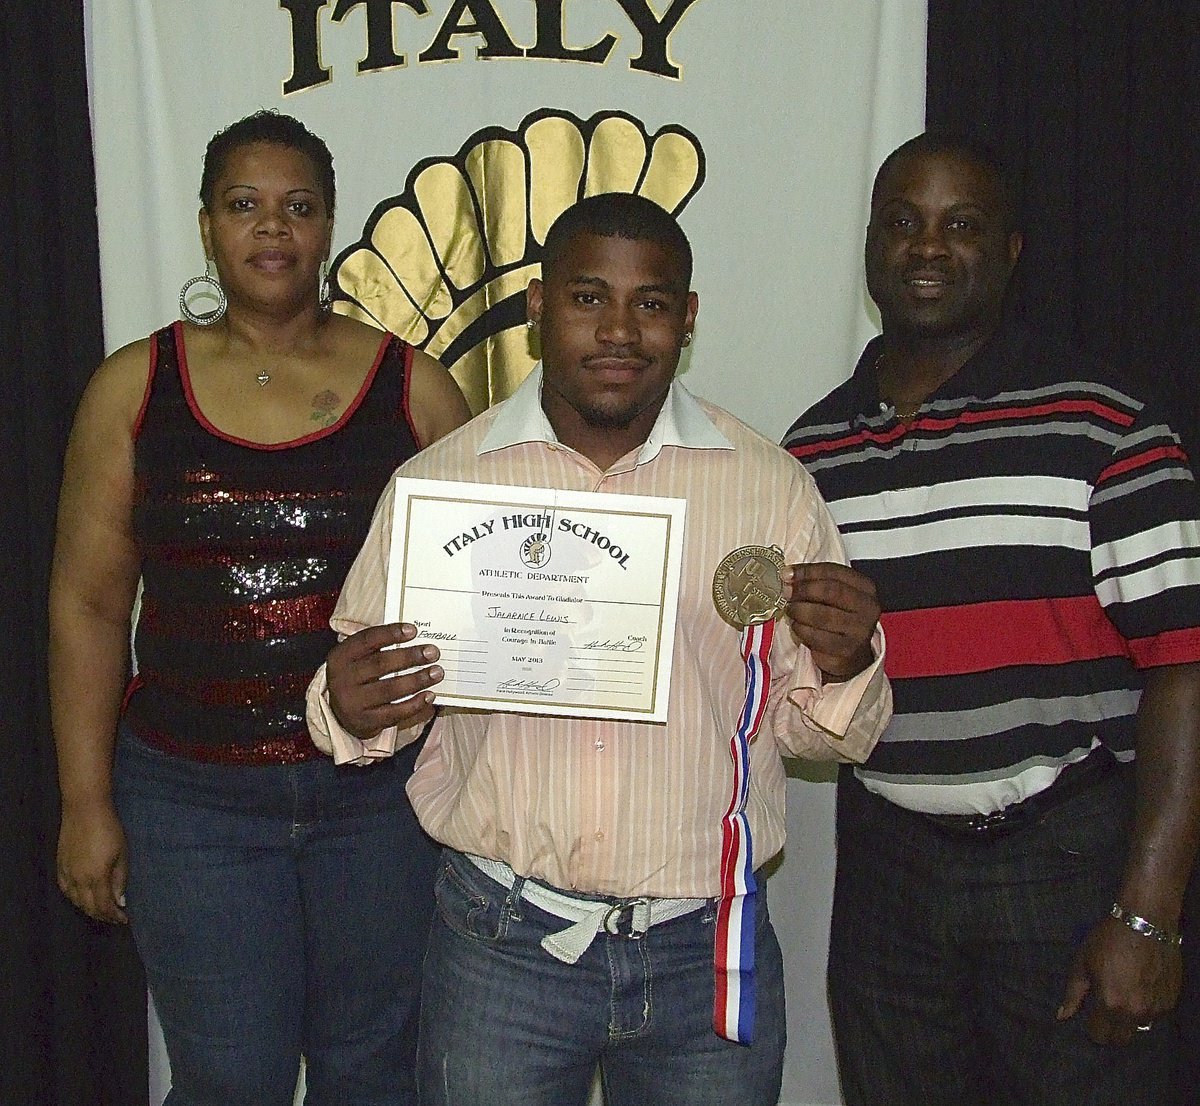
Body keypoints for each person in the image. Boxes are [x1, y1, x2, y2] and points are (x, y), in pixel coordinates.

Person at [305, 192, 892, 1106]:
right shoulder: (441, 483)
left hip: (707, 944)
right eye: (588, 298)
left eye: (650, 303)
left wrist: (850, 662)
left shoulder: (769, 488)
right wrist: (346, 705)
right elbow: (357, 712)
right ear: (538, 311)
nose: (619, 329)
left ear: (686, 319)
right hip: (502, 940)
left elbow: (820, 737)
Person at [49, 109, 471, 1106]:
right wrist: (85, 803)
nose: (271, 229)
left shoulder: (415, 389)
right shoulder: (132, 389)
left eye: (297, 207)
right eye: (245, 206)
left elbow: (480, 603)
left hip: (378, 804)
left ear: (328, 227)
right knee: (227, 1080)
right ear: (205, 225)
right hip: (190, 804)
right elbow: (89, 607)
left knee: (372, 1074)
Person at [784, 130, 1200, 1106]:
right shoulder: (811, 456)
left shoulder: (1107, 426)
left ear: (1011, 249)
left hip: (1066, 862)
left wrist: (1148, 912)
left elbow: (1184, 668)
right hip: (888, 872)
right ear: (872, 244)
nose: (927, 247)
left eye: (961, 225)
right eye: (903, 222)